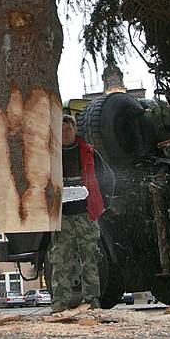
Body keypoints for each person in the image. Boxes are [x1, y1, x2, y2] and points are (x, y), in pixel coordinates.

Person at [48, 114, 114, 314]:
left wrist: (103, 203)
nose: (65, 133)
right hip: (62, 217)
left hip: (85, 214)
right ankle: (60, 304)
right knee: (60, 259)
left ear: (75, 130)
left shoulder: (89, 152)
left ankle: (92, 302)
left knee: (90, 258)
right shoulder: (51, 156)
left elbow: (107, 177)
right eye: (61, 130)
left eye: (68, 129)